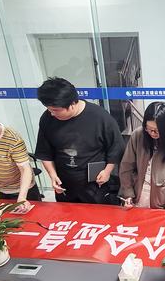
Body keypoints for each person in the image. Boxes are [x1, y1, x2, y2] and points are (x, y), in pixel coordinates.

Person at [33, 77, 124, 205]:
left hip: (95, 182)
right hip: (65, 183)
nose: (52, 113)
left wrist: (107, 171)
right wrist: (52, 175)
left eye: (55, 110)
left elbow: (116, 147)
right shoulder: (47, 118)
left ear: (72, 104)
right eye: (49, 109)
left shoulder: (99, 117)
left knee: (98, 214)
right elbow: (45, 152)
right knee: (69, 214)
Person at [119, 102, 165, 221]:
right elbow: (127, 167)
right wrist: (127, 193)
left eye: (156, 130)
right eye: (149, 129)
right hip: (137, 195)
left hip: (161, 201)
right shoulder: (138, 135)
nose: (152, 133)